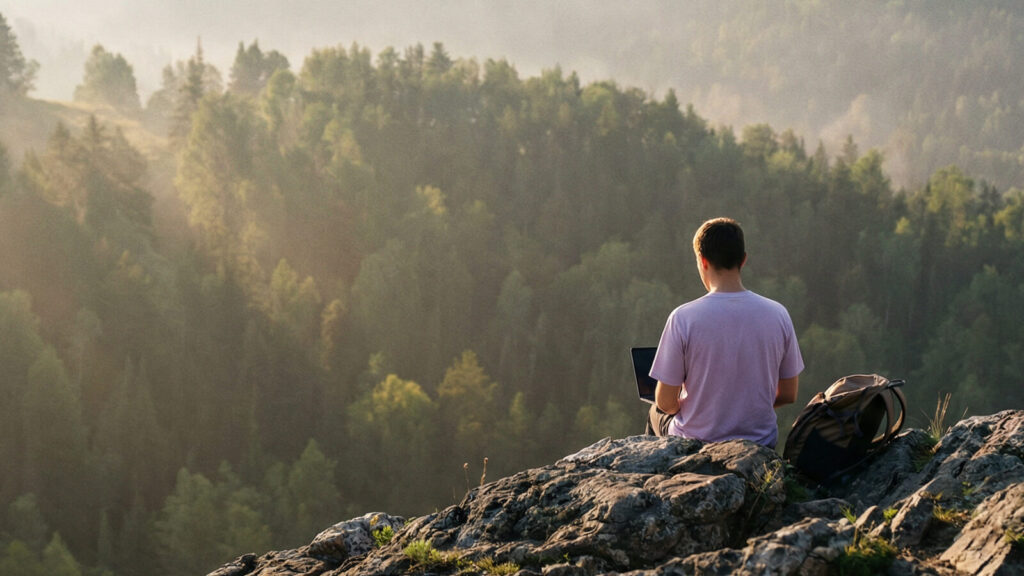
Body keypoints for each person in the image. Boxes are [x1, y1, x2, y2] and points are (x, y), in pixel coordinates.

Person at [646, 217, 803, 448]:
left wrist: (696, 405)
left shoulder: (683, 318)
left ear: (703, 261)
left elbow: (665, 402)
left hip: (697, 443)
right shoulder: (778, 314)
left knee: (654, 412)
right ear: (744, 260)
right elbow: (789, 394)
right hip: (759, 443)